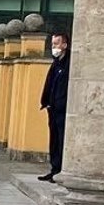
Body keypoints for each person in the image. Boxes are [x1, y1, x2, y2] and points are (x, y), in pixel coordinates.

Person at [39, 34, 70, 182]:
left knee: (62, 140)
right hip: (53, 108)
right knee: (54, 140)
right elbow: (49, 84)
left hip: (63, 109)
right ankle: (54, 169)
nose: (54, 47)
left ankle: (61, 169)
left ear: (65, 45)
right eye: (52, 44)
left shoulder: (68, 63)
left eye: (56, 44)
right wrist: (46, 102)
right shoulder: (56, 63)